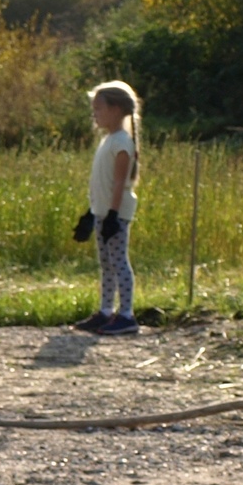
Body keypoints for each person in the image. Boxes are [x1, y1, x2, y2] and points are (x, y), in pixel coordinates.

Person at [74, 81, 142, 336]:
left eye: (99, 108)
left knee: (118, 261)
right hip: (103, 212)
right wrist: (92, 212)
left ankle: (126, 314)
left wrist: (113, 215)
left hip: (116, 213)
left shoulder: (122, 142)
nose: (95, 114)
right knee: (106, 263)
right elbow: (101, 182)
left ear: (115, 109)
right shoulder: (109, 140)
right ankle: (105, 311)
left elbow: (119, 182)